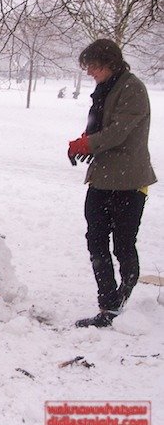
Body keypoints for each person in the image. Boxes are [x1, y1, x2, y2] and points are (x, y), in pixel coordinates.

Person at [67, 39, 157, 328]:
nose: (90, 72)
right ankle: (108, 303)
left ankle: (124, 292)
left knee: (123, 244)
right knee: (95, 240)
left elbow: (118, 132)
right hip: (102, 178)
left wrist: (87, 144)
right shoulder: (104, 89)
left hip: (129, 182)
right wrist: (85, 140)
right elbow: (101, 124)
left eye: (94, 66)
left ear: (111, 63)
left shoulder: (132, 89)